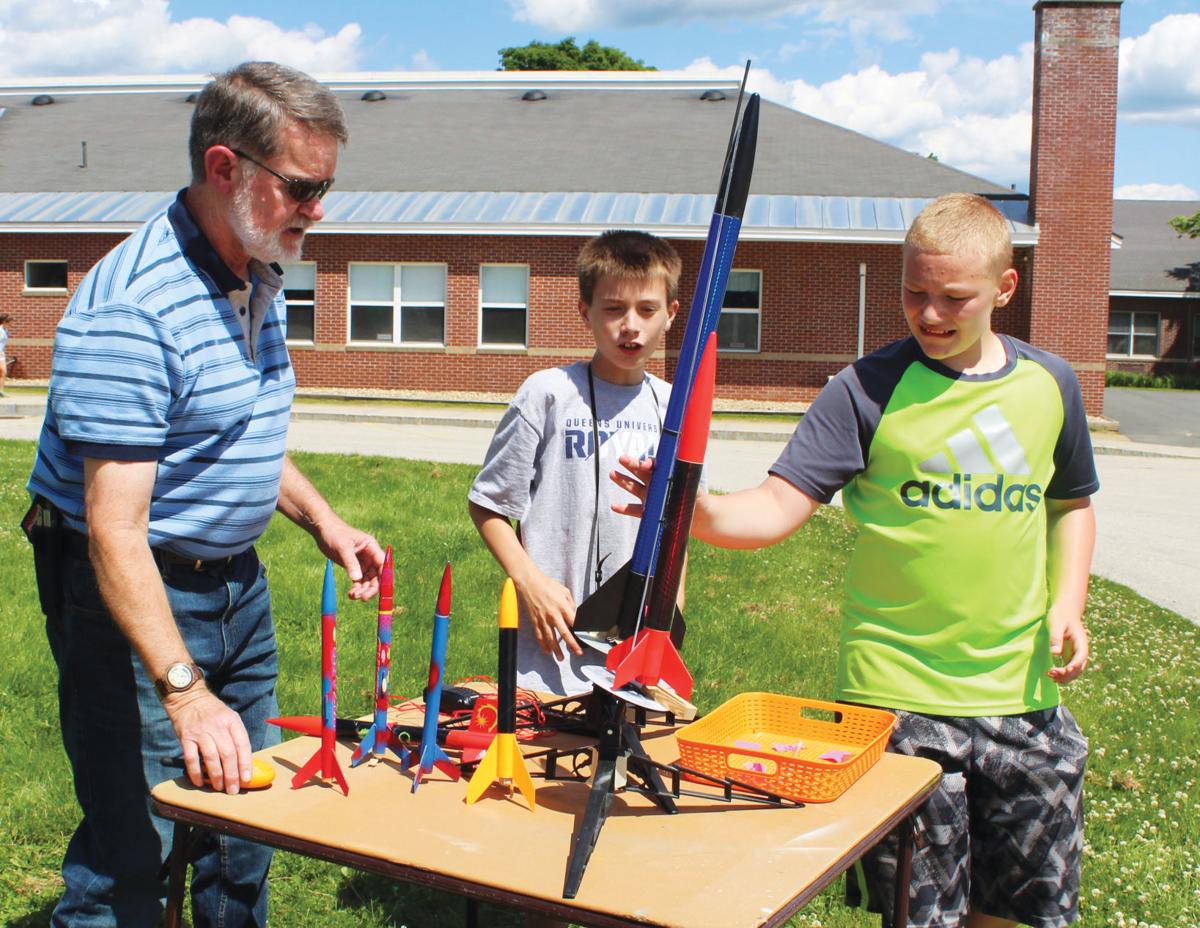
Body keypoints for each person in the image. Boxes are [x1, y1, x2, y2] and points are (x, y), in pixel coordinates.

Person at [615, 193, 1097, 928]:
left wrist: (1069, 604)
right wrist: (694, 510)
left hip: (1022, 696)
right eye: (914, 293)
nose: (929, 314)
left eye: (953, 299)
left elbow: (1071, 504)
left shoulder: (1051, 386)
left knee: (1025, 911)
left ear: (1004, 289)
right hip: (898, 704)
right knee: (923, 914)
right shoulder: (865, 389)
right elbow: (776, 507)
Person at [24, 62, 384, 927]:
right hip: (133, 589)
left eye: (326, 186)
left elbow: (231, 429)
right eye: (303, 187)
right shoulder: (134, 308)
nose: (319, 210)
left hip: (235, 585)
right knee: (132, 851)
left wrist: (321, 518)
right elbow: (114, 529)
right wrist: (183, 689)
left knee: (241, 827)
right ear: (225, 169)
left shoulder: (253, 269)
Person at [469, 230, 681, 696]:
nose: (631, 326)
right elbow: (487, 505)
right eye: (613, 309)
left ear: (670, 315)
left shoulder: (675, 408)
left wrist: (669, 625)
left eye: (647, 309)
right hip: (548, 656)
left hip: (636, 660)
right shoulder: (547, 394)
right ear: (584, 311)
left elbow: (679, 529)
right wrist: (531, 584)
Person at [0, 311, 11, 395]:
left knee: (3, 372)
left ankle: (0, 390)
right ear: (4, 321)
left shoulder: (5, 330)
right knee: (2, 371)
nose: (10, 324)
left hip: (1, 354)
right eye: (9, 321)